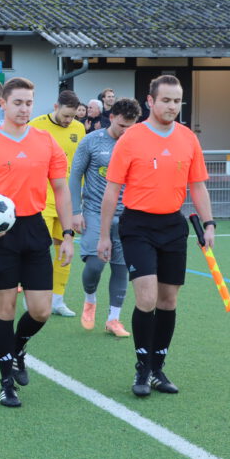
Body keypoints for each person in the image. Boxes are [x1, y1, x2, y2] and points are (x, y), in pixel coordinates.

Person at [97, 74, 215, 398]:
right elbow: (112, 190)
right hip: (137, 226)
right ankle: (142, 367)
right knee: (147, 299)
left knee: (168, 301)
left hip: (173, 226)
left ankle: (158, 368)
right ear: (150, 101)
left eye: (177, 101)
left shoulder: (188, 138)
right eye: (166, 100)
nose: (172, 106)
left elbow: (197, 186)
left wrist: (209, 223)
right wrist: (104, 235)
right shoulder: (131, 138)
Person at [0, 77, 74, 408]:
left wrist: (68, 234)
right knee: (5, 310)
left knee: (40, 310)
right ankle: (5, 383)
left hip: (35, 229)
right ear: (3, 104)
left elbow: (61, 190)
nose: (24, 109)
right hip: (1, 236)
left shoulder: (46, 141)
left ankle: (17, 347)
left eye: (29, 103)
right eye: (18, 103)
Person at [68, 98, 141, 338]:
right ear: (111, 118)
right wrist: (75, 211)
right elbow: (75, 175)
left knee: (121, 267)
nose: (126, 131)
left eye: (130, 126)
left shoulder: (137, 144)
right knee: (96, 264)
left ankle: (113, 319)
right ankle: (90, 299)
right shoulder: (91, 141)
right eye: (121, 126)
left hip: (127, 215)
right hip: (94, 212)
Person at [29, 89, 87, 317]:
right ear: (55, 107)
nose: (69, 120)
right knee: (39, 251)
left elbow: (80, 164)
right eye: (65, 115)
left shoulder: (79, 128)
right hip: (41, 200)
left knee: (65, 249)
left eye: (73, 116)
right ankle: (34, 296)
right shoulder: (35, 126)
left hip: (67, 200)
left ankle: (57, 300)